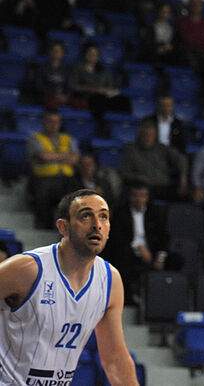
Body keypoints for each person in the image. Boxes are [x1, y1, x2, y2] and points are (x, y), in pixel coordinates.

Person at [0, 189, 137, 384]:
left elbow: (115, 359)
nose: (97, 225)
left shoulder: (110, 280)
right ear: (63, 227)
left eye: (103, 217)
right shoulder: (28, 269)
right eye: (86, 216)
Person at [102, 182, 173, 303]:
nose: (138, 199)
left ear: (147, 197)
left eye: (142, 196)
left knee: (176, 260)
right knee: (122, 256)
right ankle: (128, 297)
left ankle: (167, 298)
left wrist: (159, 258)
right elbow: (117, 237)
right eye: (135, 196)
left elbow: (163, 237)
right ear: (130, 196)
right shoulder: (121, 211)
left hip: (152, 252)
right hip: (129, 250)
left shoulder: (154, 212)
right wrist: (139, 247)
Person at [27, 109, 80, 228]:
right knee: (42, 193)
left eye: (56, 122)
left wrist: (53, 156)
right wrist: (65, 155)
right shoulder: (35, 138)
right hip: (44, 178)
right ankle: (44, 225)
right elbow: (43, 157)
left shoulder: (68, 138)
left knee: (77, 194)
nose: (53, 125)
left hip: (67, 179)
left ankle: (71, 227)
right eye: (50, 121)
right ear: (44, 122)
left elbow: (75, 159)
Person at [119, 117, 188, 201]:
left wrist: (183, 178)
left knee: (186, 192)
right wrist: (136, 177)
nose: (148, 138)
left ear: (155, 135)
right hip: (143, 188)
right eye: (145, 135)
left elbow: (181, 159)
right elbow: (123, 172)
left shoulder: (162, 148)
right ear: (140, 135)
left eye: (150, 135)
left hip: (163, 186)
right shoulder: (131, 150)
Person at [69, 42, 130, 118]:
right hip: (88, 96)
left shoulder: (103, 69)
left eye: (95, 54)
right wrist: (93, 89)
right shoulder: (78, 68)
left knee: (124, 99)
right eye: (90, 53)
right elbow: (73, 86)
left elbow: (111, 87)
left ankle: (123, 123)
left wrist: (106, 90)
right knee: (99, 100)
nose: (92, 56)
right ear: (85, 54)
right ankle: (100, 124)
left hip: (105, 95)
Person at [176, 0, 204, 67]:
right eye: (193, 4)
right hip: (187, 53)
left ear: (202, 6)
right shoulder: (182, 22)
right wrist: (201, 43)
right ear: (189, 6)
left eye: (198, 4)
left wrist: (201, 44)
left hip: (203, 53)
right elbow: (187, 39)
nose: (196, 6)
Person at [29, 41, 71, 109]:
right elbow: (38, 86)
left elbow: (68, 87)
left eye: (58, 51)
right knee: (52, 102)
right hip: (46, 96)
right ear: (50, 52)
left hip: (61, 97)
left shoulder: (66, 70)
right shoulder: (41, 67)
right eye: (54, 50)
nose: (56, 53)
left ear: (63, 53)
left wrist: (65, 96)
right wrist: (54, 94)